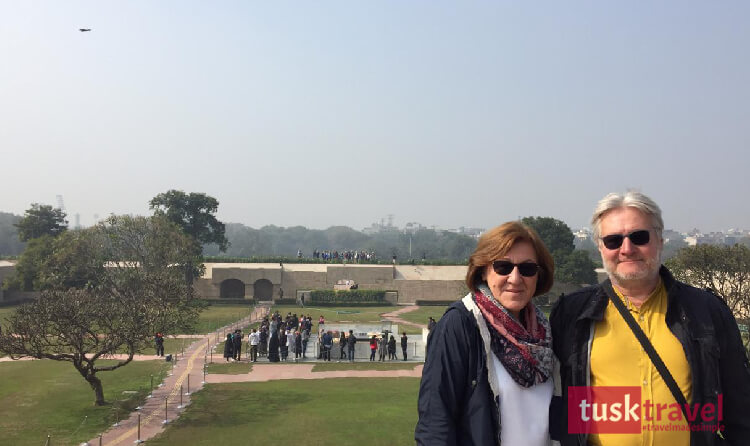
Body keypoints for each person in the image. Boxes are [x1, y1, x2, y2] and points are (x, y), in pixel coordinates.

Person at [550, 191, 750, 446]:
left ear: (660, 240)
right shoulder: (572, 313)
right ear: (600, 247)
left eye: (639, 237)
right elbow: (557, 402)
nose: (627, 249)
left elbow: (740, 409)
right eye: (613, 240)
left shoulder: (705, 310)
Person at [416, 221, 555, 445]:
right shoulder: (460, 325)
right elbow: (435, 422)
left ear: (539, 275)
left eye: (527, 269)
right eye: (503, 267)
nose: (516, 278)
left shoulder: (544, 332)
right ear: (483, 270)